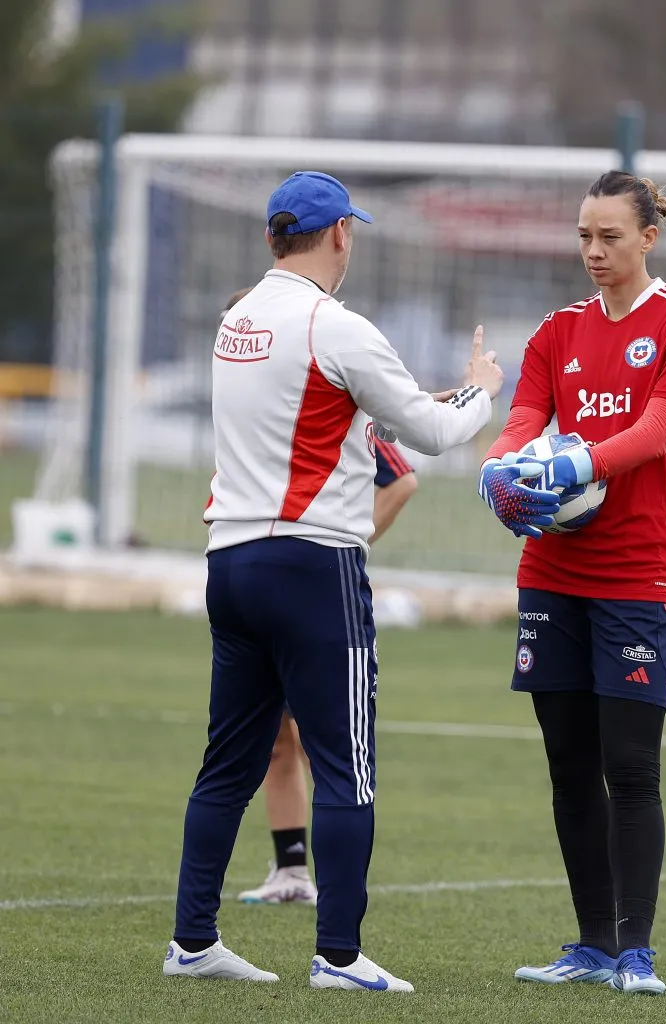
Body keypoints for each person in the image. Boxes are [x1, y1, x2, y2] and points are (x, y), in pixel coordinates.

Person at [164, 170, 518, 991]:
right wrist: (483, 388)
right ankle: (338, 958)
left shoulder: (237, 320)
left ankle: (192, 941)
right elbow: (430, 432)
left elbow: (321, 410)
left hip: (231, 558)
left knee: (228, 762)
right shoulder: (335, 323)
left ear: (269, 237)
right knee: (346, 764)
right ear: (340, 235)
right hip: (312, 564)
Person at [478, 171, 666, 996]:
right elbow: (524, 414)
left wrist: (580, 458)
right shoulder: (556, 330)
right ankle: (588, 945)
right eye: (583, 235)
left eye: (609, 236)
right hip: (551, 570)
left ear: (647, 237)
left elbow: (655, 430)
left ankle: (636, 952)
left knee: (631, 766)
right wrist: (503, 469)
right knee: (568, 765)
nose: (592, 250)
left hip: (637, 575)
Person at [212, 287, 419, 910]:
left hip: (312, 583)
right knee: (272, 739)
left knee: (317, 742)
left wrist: (347, 545)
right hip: (256, 577)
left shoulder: (321, 392)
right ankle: (289, 870)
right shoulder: (244, 402)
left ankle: (339, 924)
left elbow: (401, 478)